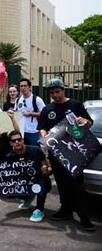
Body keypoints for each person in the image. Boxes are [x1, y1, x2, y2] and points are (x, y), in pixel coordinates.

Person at [37, 78, 95, 231]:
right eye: (52, 93)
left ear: (63, 90)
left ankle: (84, 217)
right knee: (62, 184)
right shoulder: (48, 109)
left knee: (77, 186)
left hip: (75, 152)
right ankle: (65, 211)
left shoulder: (75, 105)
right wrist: (46, 137)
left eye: (57, 91)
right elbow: (41, 127)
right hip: (56, 153)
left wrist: (84, 121)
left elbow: (89, 123)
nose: (55, 95)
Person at [6, 130, 52, 223]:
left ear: (22, 140)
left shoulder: (35, 150)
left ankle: (40, 209)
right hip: (23, 181)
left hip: (38, 180)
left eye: (19, 139)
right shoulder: (9, 156)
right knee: (7, 190)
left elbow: (49, 167)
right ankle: (27, 198)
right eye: (14, 141)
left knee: (43, 182)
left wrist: (46, 169)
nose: (17, 142)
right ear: (11, 143)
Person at [13, 78, 45, 146]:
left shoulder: (37, 99)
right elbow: (15, 111)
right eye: (21, 86)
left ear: (30, 87)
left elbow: (44, 113)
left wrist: (30, 113)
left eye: (25, 86)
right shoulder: (18, 100)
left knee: (34, 151)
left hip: (33, 131)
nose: (23, 88)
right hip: (21, 131)